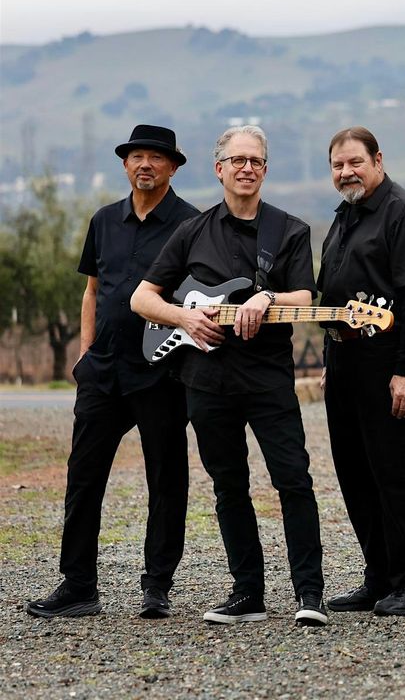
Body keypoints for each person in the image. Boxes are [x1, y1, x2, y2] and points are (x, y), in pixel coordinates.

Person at [131, 125, 328, 626]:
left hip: (268, 378)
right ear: (219, 169)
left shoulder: (289, 230)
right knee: (228, 486)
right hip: (206, 380)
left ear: (265, 170)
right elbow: (142, 297)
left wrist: (268, 297)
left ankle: (310, 594)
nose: (246, 168)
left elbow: (306, 297)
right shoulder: (192, 231)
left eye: (255, 161)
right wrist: (184, 318)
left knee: (293, 480)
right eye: (237, 160)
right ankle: (248, 594)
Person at [26, 125, 198, 620]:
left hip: (161, 373)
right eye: (136, 156)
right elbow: (92, 291)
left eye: (156, 157)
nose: (145, 164)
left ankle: (157, 586)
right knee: (83, 478)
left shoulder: (192, 224)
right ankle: (78, 586)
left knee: (166, 480)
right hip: (102, 372)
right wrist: (85, 354)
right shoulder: (103, 220)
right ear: (125, 165)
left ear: (173, 167)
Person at [317, 126, 405, 616]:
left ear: (378, 160)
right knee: (355, 472)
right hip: (344, 363)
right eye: (338, 165)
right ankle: (380, 576)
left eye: (355, 162)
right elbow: (334, 297)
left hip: (387, 363)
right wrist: (329, 359)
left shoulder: (404, 212)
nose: (346, 172)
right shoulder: (343, 216)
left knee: (393, 472)